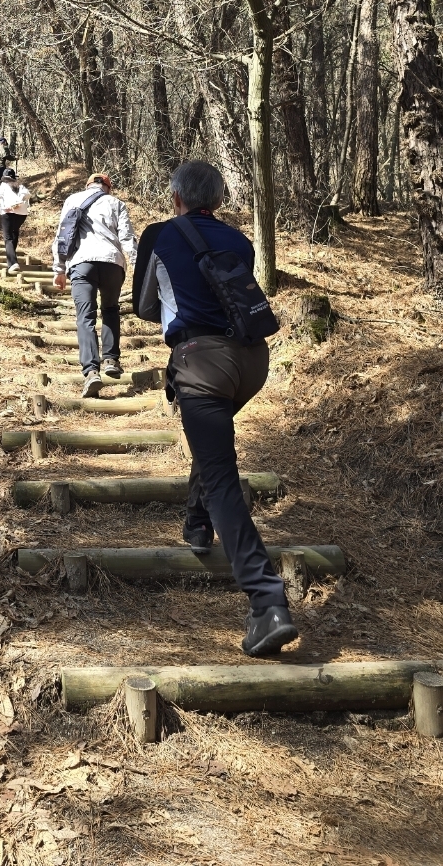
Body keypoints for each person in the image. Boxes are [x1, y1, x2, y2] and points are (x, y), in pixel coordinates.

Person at [131, 160, 297, 658]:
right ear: (217, 199)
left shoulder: (158, 235)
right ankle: (197, 522)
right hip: (251, 363)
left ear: (175, 197)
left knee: (223, 474)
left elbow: (142, 305)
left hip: (200, 366)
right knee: (213, 448)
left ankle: (268, 602)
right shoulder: (240, 241)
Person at [52, 172, 137, 397]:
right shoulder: (116, 203)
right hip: (111, 263)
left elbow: (62, 236)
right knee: (110, 309)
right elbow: (127, 237)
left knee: (85, 317)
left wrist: (59, 269)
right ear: (107, 187)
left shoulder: (72, 200)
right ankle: (111, 360)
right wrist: (137, 265)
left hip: (81, 263)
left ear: (88, 185)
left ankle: (91, 372)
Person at [0, 169, 30, 272]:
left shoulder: (0, 185)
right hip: (21, 213)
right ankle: (13, 259)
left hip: (7, 212)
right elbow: (27, 194)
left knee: (8, 237)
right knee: (14, 233)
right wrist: (19, 201)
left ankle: (13, 263)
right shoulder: (19, 185)